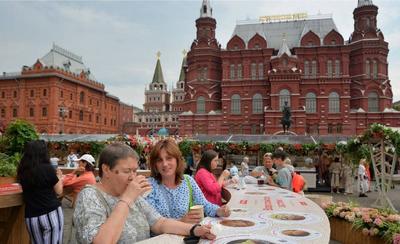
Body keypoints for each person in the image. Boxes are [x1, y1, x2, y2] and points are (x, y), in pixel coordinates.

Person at [73, 143, 216, 243]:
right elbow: (102, 241)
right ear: (106, 169)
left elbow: (159, 222)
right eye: (126, 171)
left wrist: (195, 230)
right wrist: (126, 200)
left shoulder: (129, 191)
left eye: (134, 171)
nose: (132, 176)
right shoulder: (90, 196)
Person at [146, 140, 230, 224]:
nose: (164, 164)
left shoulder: (187, 181)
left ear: (177, 160)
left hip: (185, 235)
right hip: (161, 237)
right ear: (155, 164)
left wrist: (219, 210)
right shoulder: (149, 186)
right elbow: (151, 221)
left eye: (169, 158)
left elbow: (204, 205)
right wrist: (180, 221)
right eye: (159, 160)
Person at [17, 140, 64, 243]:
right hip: (51, 214)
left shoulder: (22, 170)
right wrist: (60, 177)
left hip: (31, 217)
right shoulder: (48, 169)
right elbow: (59, 191)